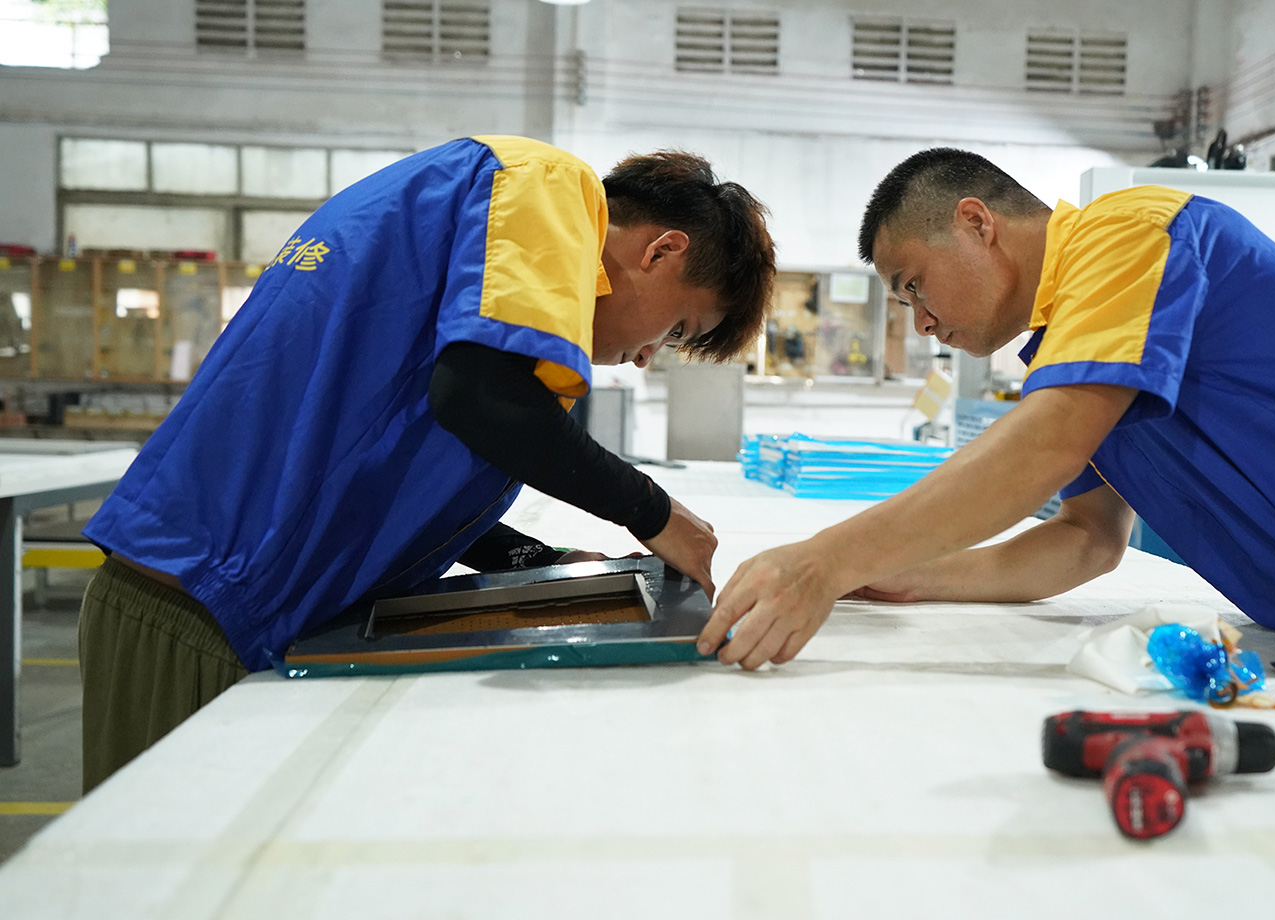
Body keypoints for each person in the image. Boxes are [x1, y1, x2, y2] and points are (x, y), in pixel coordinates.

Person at [697, 147, 1275, 712]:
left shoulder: (1130, 233)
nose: (921, 321)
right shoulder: (1073, 345)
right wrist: (907, 576)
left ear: (976, 224)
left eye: (913, 285)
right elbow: (1085, 542)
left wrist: (826, 560)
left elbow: (1049, 441)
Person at [79, 136, 777, 790]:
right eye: (677, 329)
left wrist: (540, 561)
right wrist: (653, 512)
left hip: (215, 597)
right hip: (195, 609)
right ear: (662, 251)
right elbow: (481, 402)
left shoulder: (466, 225)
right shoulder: (546, 183)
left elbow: (398, 466)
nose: (648, 356)